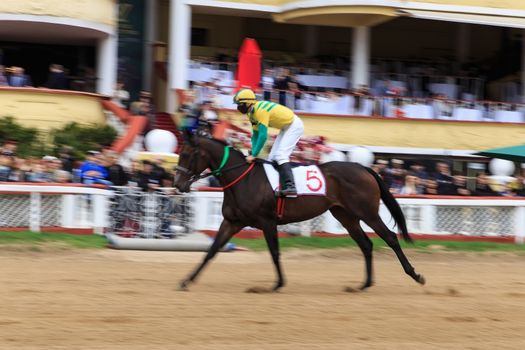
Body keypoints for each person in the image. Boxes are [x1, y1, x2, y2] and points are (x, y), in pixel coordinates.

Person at [233, 88, 304, 197]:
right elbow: (255, 135)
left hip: (294, 125)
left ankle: (291, 187)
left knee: (280, 155)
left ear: (248, 103)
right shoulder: (250, 113)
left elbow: (263, 136)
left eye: (240, 104)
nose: (238, 107)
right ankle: (278, 184)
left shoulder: (259, 110)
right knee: (272, 157)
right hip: (286, 127)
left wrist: (254, 154)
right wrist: (253, 151)